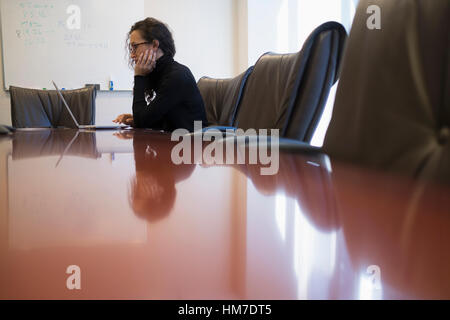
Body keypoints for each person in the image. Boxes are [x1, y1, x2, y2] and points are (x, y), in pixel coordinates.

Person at [113, 18, 208, 132]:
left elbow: (142, 123)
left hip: (191, 146)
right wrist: (136, 119)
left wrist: (139, 76)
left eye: (135, 47)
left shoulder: (176, 76)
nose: (132, 55)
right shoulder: (162, 73)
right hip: (177, 142)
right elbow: (166, 119)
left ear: (154, 44)